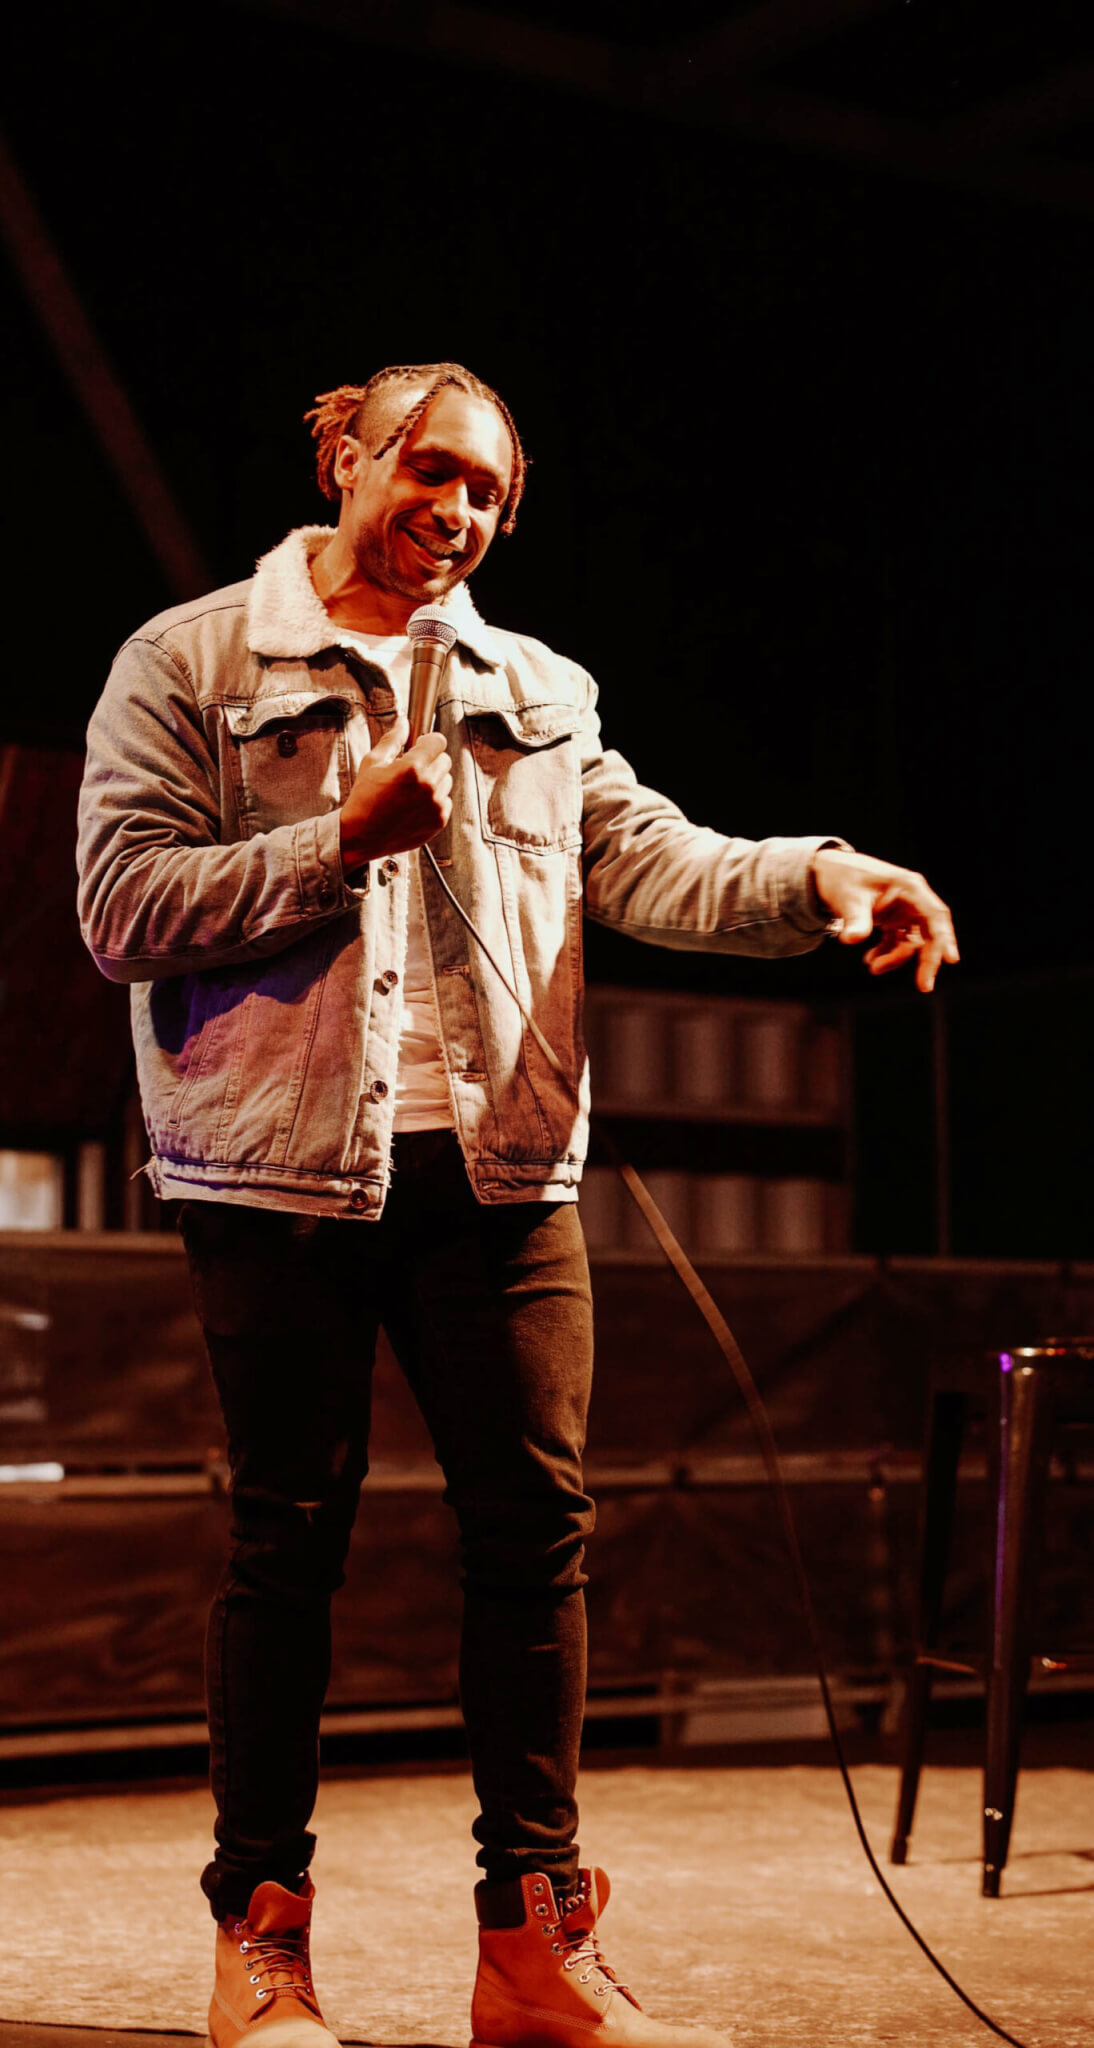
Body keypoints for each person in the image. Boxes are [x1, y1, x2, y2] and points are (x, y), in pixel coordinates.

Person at [76, 360, 958, 2048]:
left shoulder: (534, 685)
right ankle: (259, 1944)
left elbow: (649, 857)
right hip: (276, 1173)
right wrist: (336, 839)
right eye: (433, 471)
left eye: (490, 492)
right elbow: (119, 909)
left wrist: (816, 876)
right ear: (346, 455)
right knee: (287, 1541)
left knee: (536, 1539)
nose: (461, 511)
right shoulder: (191, 660)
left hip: (499, 1167)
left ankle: (530, 1951)